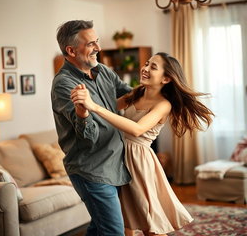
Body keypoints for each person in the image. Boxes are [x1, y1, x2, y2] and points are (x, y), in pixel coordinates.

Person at [71, 52, 214, 236]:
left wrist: (94, 106)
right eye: (147, 64)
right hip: (117, 157)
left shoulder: (164, 104)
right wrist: (84, 104)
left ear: (166, 78)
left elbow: (137, 129)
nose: (145, 69)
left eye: (153, 67)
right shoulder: (136, 92)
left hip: (139, 162)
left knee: (149, 224)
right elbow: (110, 110)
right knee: (124, 218)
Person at [51, 20, 132, 236]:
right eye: (91, 44)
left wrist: (157, 85)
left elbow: (130, 95)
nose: (98, 48)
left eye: (97, 41)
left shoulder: (102, 71)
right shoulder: (64, 84)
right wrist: (82, 112)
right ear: (71, 50)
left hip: (116, 163)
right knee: (114, 232)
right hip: (91, 170)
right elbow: (89, 139)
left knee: (100, 228)